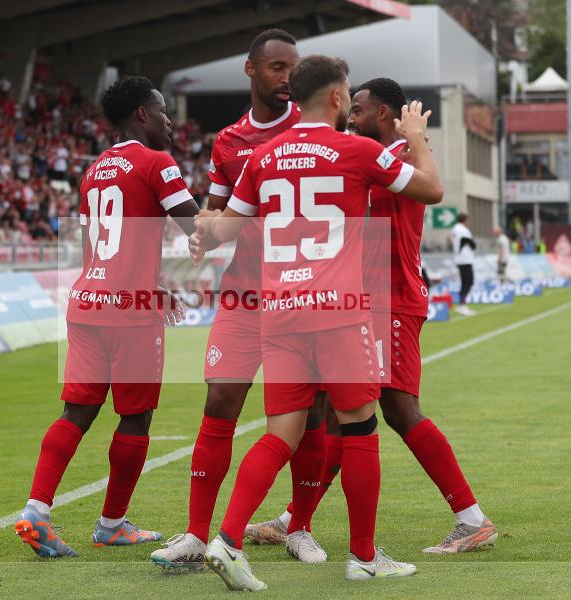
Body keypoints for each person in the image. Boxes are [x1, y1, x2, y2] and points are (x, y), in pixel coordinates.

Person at [191, 56, 443, 591]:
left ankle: (227, 541)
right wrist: (417, 138)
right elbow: (431, 189)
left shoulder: (262, 156)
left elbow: (225, 230)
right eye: (347, 93)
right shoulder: (357, 150)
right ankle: (364, 557)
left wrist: (202, 229)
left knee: (280, 434)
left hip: (279, 311)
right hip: (338, 311)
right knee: (360, 429)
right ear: (334, 97)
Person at [254, 77, 498, 557]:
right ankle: (294, 519)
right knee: (343, 412)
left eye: (360, 110)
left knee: (397, 407)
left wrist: (417, 139)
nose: (351, 117)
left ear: (383, 114)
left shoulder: (400, 157)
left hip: (391, 300)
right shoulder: (361, 156)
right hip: (357, 303)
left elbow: (432, 188)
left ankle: (471, 518)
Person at [151, 29, 333, 570]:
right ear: (251, 70)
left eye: (293, 67)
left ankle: (300, 528)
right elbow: (216, 211)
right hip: (245, 293)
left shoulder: (314, 128)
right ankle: (195, 534)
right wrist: (202, 234)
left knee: (310, 413)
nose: (287, 77)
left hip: (303, 294)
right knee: (220, 401)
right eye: (277, 67)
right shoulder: (229, 140)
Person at [14, 76, 200, 558]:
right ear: (142, 113)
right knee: (136, 416)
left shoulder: (93, 171)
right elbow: (194, 225)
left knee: (76, 411)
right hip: (131, 312)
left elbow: (93, 248)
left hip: (87, 301)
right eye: (163, 111)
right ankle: (112, 524)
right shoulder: (157, 162)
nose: (170, 122)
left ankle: (36, 509)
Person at [451, 213, 476, 316]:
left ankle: (462, 304)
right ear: (465, 220)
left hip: (460, 258)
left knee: (465, 282)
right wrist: (473, 245)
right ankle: (462, 305)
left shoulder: (455, 229)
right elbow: (467, 240)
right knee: (468, 282)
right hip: (465, 259)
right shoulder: (462, 229)